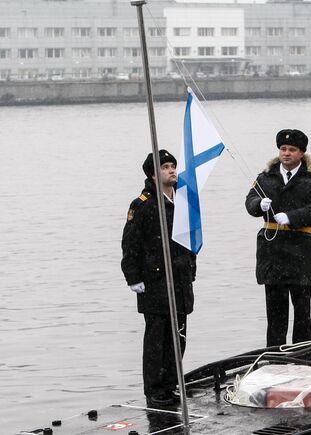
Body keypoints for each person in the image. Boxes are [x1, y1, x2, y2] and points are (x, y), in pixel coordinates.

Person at [121, 150, 196, 407]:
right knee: (156, 338)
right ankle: (154, 390)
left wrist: (191, 271)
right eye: (165, 167)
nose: (172, 170)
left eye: (173, 165)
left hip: (180, 278)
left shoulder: (183, 200)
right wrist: (132, 276)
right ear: (154, 174)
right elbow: (130, 243)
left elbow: (189, 240)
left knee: (179, 335)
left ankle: (171, 383)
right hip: (154, 281)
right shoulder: (142, 204)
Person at [245, 129, 311, 348]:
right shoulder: (265, 177)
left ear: (301, 153)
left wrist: (292, 217)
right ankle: (275, 356)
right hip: (272, 252)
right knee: (275, 314)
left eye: (292, 150)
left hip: (300, 251)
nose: (286, 153)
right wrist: (258, 205)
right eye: (283, 149)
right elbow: (250, 201)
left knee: (302, 312)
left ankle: (302, 357)